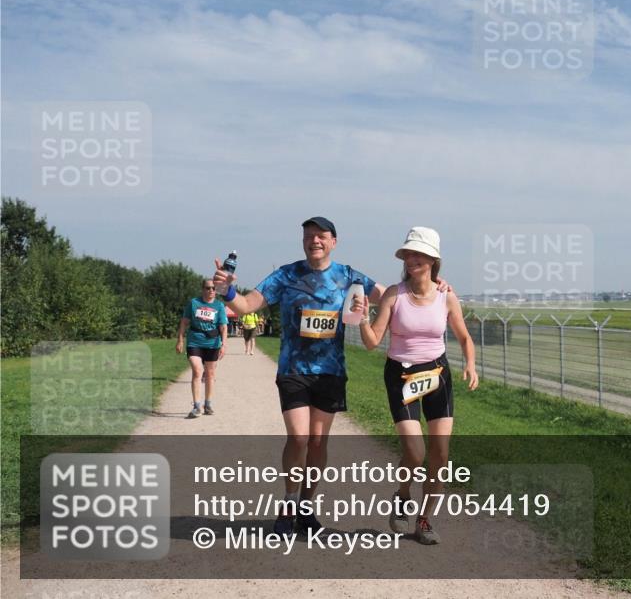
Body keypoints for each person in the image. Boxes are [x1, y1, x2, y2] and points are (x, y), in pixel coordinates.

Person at [212, 216, 450, 537]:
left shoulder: (349, 276)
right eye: (309, 236)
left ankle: (307, 510)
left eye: (322, 236)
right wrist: (227, 292)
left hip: (331, 373)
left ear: (333, 242)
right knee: (299, 438)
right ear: (303, 242)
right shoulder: (286, 275)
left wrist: (437, 285)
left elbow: (396, 293)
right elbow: (246, 305)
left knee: (318, 441)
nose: (315, 241)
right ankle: (288, 505)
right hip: (294, 369)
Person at [357, 226, 478, 545]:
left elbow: (464, 336)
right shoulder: (394, 295)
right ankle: (402, 494)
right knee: (415, 450)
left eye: (419, 255)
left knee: (440, 454)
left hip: (438, 375)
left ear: (433, 260)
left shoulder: (446, 295)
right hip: (401, 375)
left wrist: (471, 364)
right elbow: (372, 343)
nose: (412, 259)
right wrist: (362, 319)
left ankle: (424, 520)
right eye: (409, 254)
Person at [176, 280, 228, 418]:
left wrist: (224, 344)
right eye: (208, 288)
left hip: (212, 343)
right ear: (202, 289)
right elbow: (184, 322)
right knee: (197, 371)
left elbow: (223, 326)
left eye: (213, 288)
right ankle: (197, 406)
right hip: (194, 341)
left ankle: (208, 404)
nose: (211, 290)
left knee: (210, 374)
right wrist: (180, 340)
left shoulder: (219, 306)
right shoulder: (194, 303)